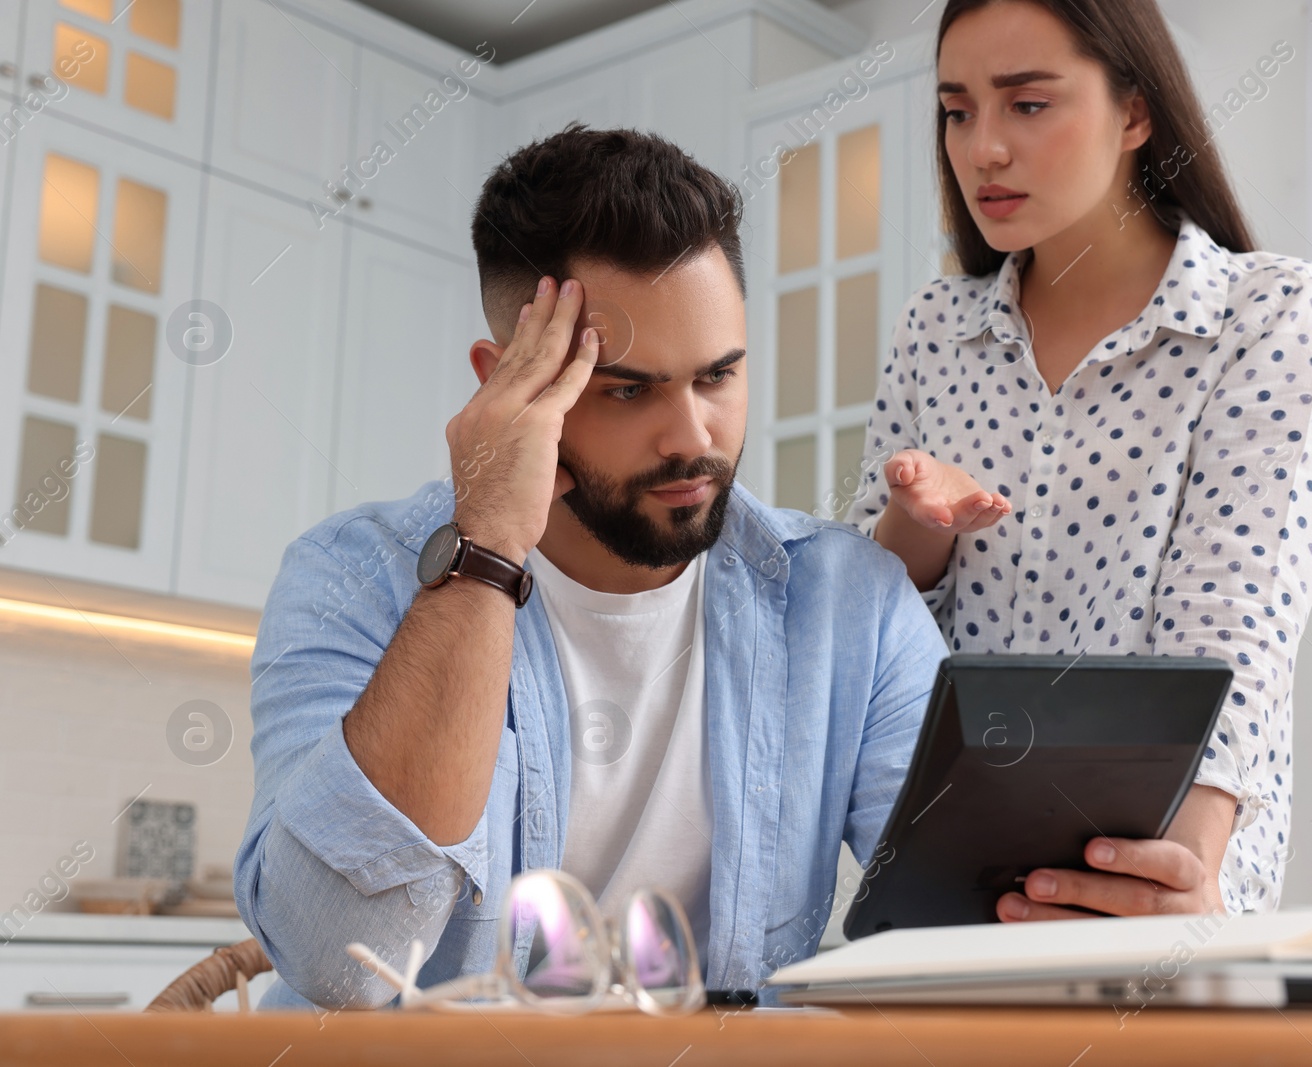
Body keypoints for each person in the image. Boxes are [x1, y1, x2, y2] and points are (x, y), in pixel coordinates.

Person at [235, 124, 948, 1009]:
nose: (694, 437)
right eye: (626, 388)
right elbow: (341, 961)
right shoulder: (351, 578)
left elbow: (953, 923)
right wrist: (488, 544)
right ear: (511, 385)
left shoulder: (855, 606)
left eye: (718, 376)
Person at [848, 0, 1312, 917]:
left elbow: (1238, 619)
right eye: (958, 110)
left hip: (1164, 880)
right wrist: (915, 520)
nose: (983, 150)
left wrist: (1184, 871)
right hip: (958, 887)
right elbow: (861, 632)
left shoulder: (1271, 315)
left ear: (1135, 112)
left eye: (1028, 105)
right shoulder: (933, 330)